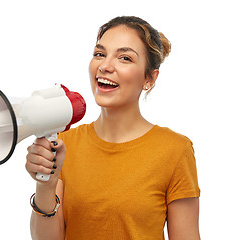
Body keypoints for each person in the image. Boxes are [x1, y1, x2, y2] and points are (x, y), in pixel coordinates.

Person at [25, 16, 200, 240]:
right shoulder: (64, 143)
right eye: (99, 54)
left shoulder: (176, 150)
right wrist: (45, 186)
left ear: (149, 78)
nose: (105, 66)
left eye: (125, 58)